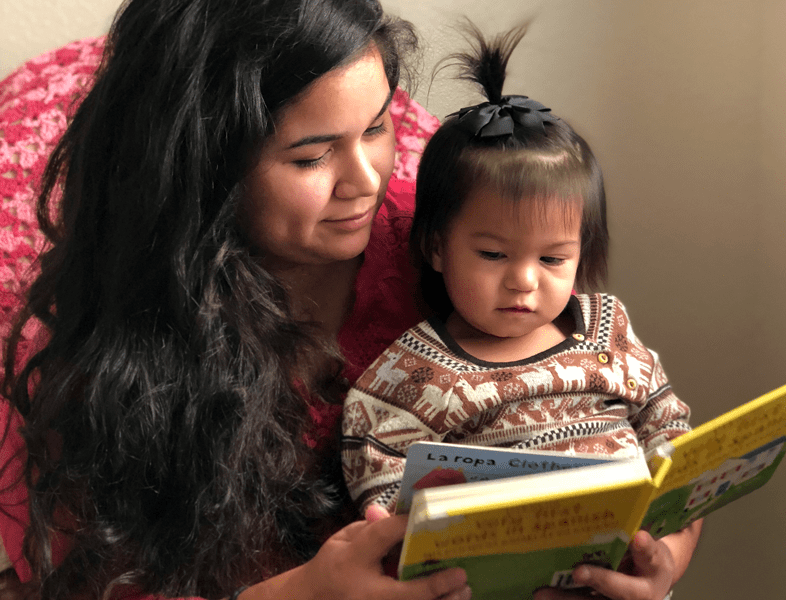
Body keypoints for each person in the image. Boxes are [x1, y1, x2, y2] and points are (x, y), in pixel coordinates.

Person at [0, 1, 474, 599]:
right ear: (201, 167)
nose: (366, 180)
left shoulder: (446, 255)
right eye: (312, 156)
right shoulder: (96, 361)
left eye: (377, 128)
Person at [341, 23, 702, 600]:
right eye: (492, 254)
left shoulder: (608, 331)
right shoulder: (407, 375)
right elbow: (386, 501)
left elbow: (672, 441)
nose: (523, 281)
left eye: (554, 258)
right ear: (435, 246)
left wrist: (671, 557)